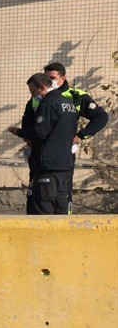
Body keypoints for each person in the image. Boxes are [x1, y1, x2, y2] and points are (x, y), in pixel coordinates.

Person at [9, 73, 79, 214]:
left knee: (43, 207)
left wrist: (18, 132)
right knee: (61, 206)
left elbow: (39, 133)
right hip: (65, 164)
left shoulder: (48, 103)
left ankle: (45, 237)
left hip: (48, 165)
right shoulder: (68, 103)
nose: (32, 95)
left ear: (41, 87)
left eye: (33, 91)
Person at [43, 62, 108, 213]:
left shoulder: (75, 95)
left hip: (64, 155)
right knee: (43, 197)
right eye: (46, 78)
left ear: (63, 78)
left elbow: (101, 117)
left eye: (52, 78)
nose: (48, 82)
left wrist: (80, 135)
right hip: (42, 156)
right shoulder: (40, 95)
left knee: (62, 197)